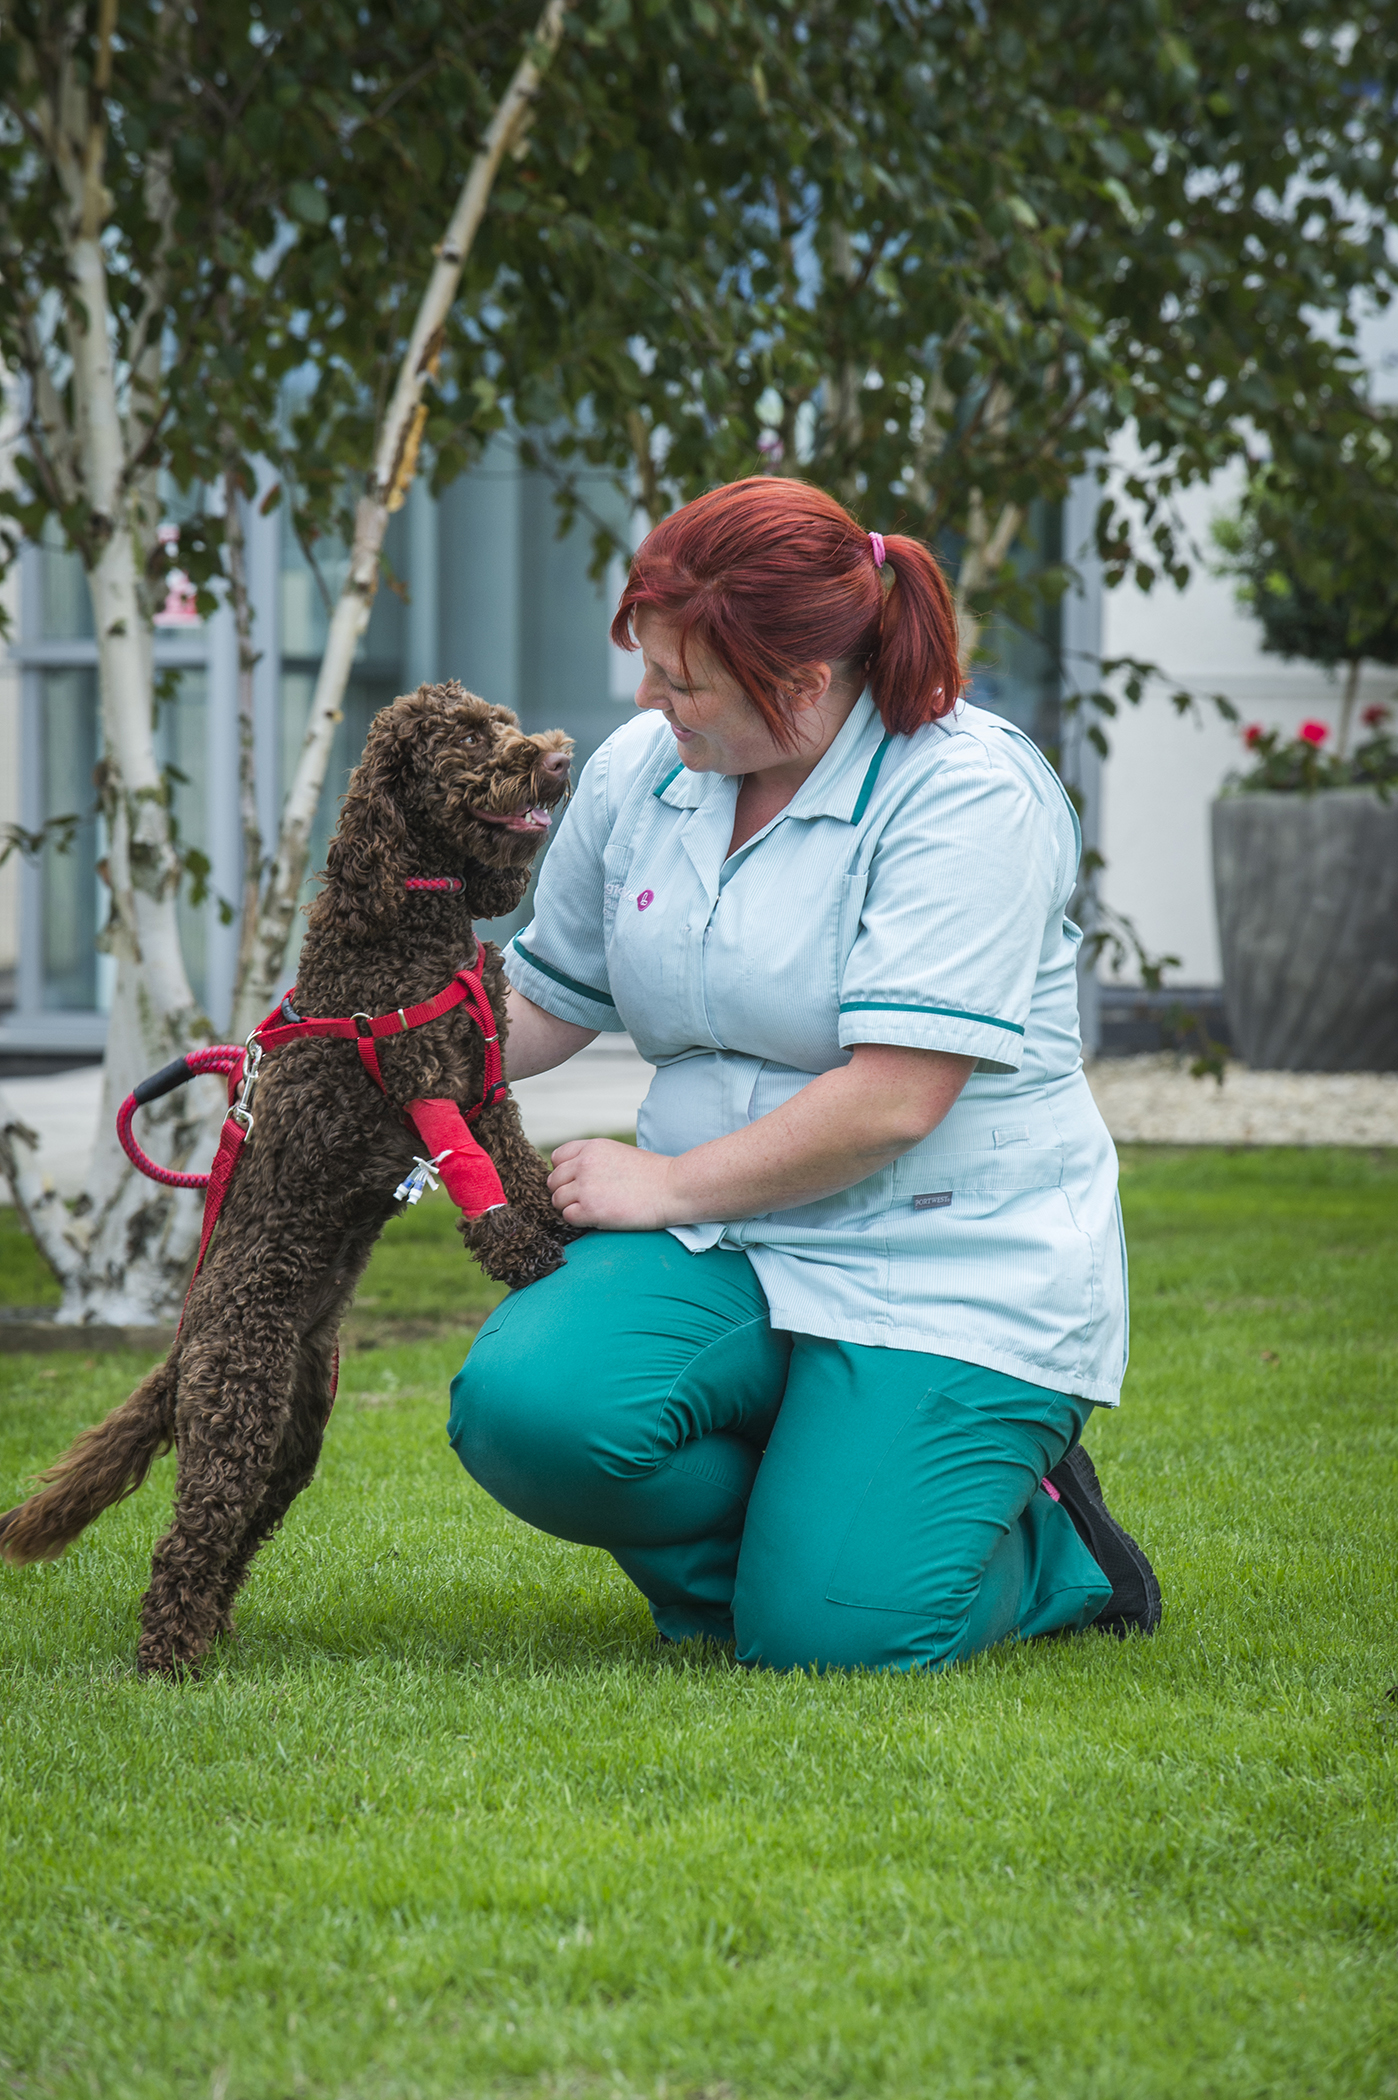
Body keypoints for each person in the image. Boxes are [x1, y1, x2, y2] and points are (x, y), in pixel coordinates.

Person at [449, 476, 1160, 1672]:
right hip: (728, 1245)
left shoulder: (967, 792)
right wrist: (363, 1052)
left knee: (839, 1637)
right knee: (533, 1410)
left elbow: (896, 1098)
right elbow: (548, 1000)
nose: (649, 701)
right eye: (649, 670)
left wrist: (665, 1187)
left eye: (682, 682)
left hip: (945, 1255)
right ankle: (817, 1524)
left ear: (802, 682)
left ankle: (1054, 1551)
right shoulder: (644, 769)